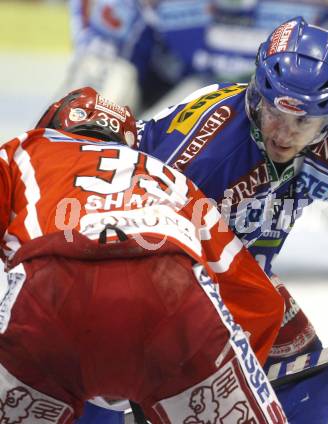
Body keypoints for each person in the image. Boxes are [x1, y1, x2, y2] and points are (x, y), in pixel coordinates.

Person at [134, 16, 328, 423]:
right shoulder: (206, 158)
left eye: (304, 121)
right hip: (142, 271)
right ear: (257, 94)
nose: (283, 133)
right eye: (276, 111)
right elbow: (132, 256)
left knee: (309, 387)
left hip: (231, 278)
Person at [0, 86, 287, 423]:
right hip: (173, 297)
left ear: (50, 125)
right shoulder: (172, 180)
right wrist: (230, 366)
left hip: (50, 295)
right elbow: (259, 303)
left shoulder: (28, 147)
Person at [63, 0, 328, 114]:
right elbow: (102, 51)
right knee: (100, 81)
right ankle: (66, 188)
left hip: (294, 99)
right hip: (174, 72)